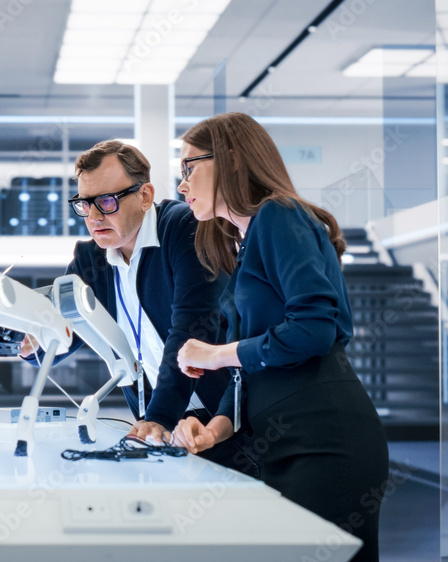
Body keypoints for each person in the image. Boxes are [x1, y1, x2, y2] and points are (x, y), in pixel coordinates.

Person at [172, 112, 388, 561]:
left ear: (229, 160)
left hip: (323, 437)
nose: (182, 184)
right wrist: (214, 430)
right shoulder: (247, 241)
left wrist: (215, 354)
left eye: (190, 167)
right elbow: (248, 371)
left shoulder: (277, 215)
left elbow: (312, 329)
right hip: (286, 440)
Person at [23, 139, 255, 474]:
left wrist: (159, 417)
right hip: (160, 431)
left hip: (227, 419)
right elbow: (63, 331)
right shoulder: (91, 260)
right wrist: (22, 338)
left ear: (144, 196)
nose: (94, 216)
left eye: (106, 201)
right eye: (85, 204)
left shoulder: (185, 228)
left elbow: (191, 328)